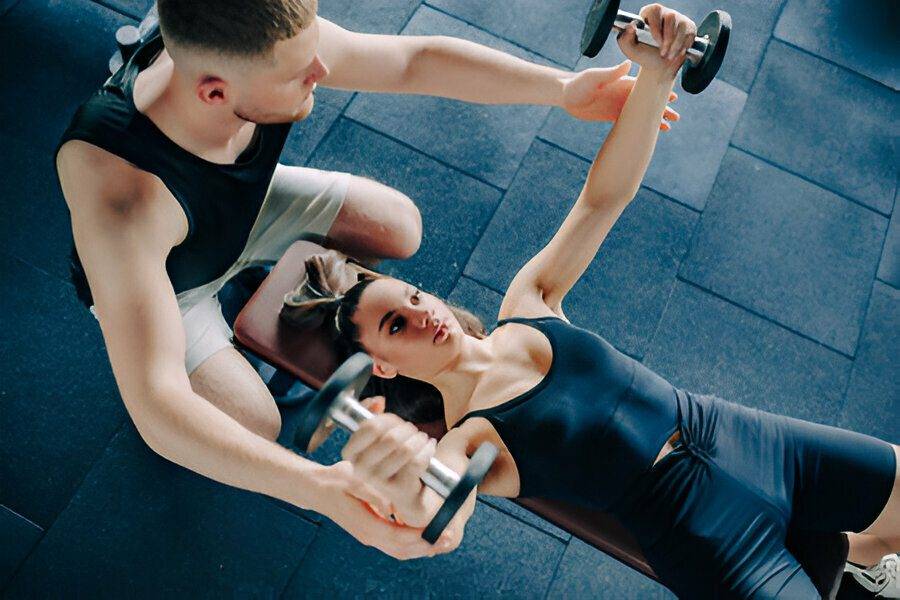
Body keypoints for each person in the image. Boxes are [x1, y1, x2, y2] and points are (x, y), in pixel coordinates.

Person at [290, 7, 900, 597]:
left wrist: (657, 73)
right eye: (397, 324)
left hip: (747, 438)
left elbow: (601, 200)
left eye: (416, 294)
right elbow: (438, 516)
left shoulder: (528, 305)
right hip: (710, 540)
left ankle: (864, 561)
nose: (424, 312)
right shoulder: (466, 440)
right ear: (384, 366)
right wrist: (393, 480)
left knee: (882, 520)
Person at [54, 0, 680, 561]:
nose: (322, 72)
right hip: (170, 279)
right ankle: (217, 315)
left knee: (398, 225)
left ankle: (339, 309)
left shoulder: (257, 40)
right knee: (256, 425)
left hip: (241, 207)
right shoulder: (121, 197)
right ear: (215, 93)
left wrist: (563, 90)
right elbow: (158, 404)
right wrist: (323, 489)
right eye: (301, 74)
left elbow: (412, 60)